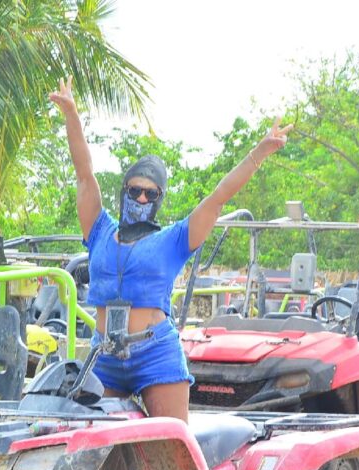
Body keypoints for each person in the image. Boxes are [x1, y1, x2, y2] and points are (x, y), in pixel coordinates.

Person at [50, 76, 291, 421]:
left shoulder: (174, 239)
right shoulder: (100, 229)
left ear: (159, 198)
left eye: (151, 194)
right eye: (135, 191)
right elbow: (84, 174)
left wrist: (260, 152)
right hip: (105, 354)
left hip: (154, 353)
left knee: (171, 443)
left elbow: (218, 197)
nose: (141, 198)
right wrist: (72, 114)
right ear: (124, 191)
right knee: (96, 443)